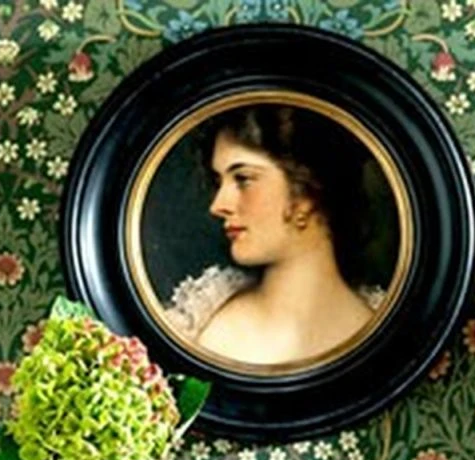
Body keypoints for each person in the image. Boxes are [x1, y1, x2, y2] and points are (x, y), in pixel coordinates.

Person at [164, 105, 384, 367]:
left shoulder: (380, 334)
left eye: (243, 179)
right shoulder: (200, 322)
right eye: (219, 182)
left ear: (306, 194)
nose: (218, 205)